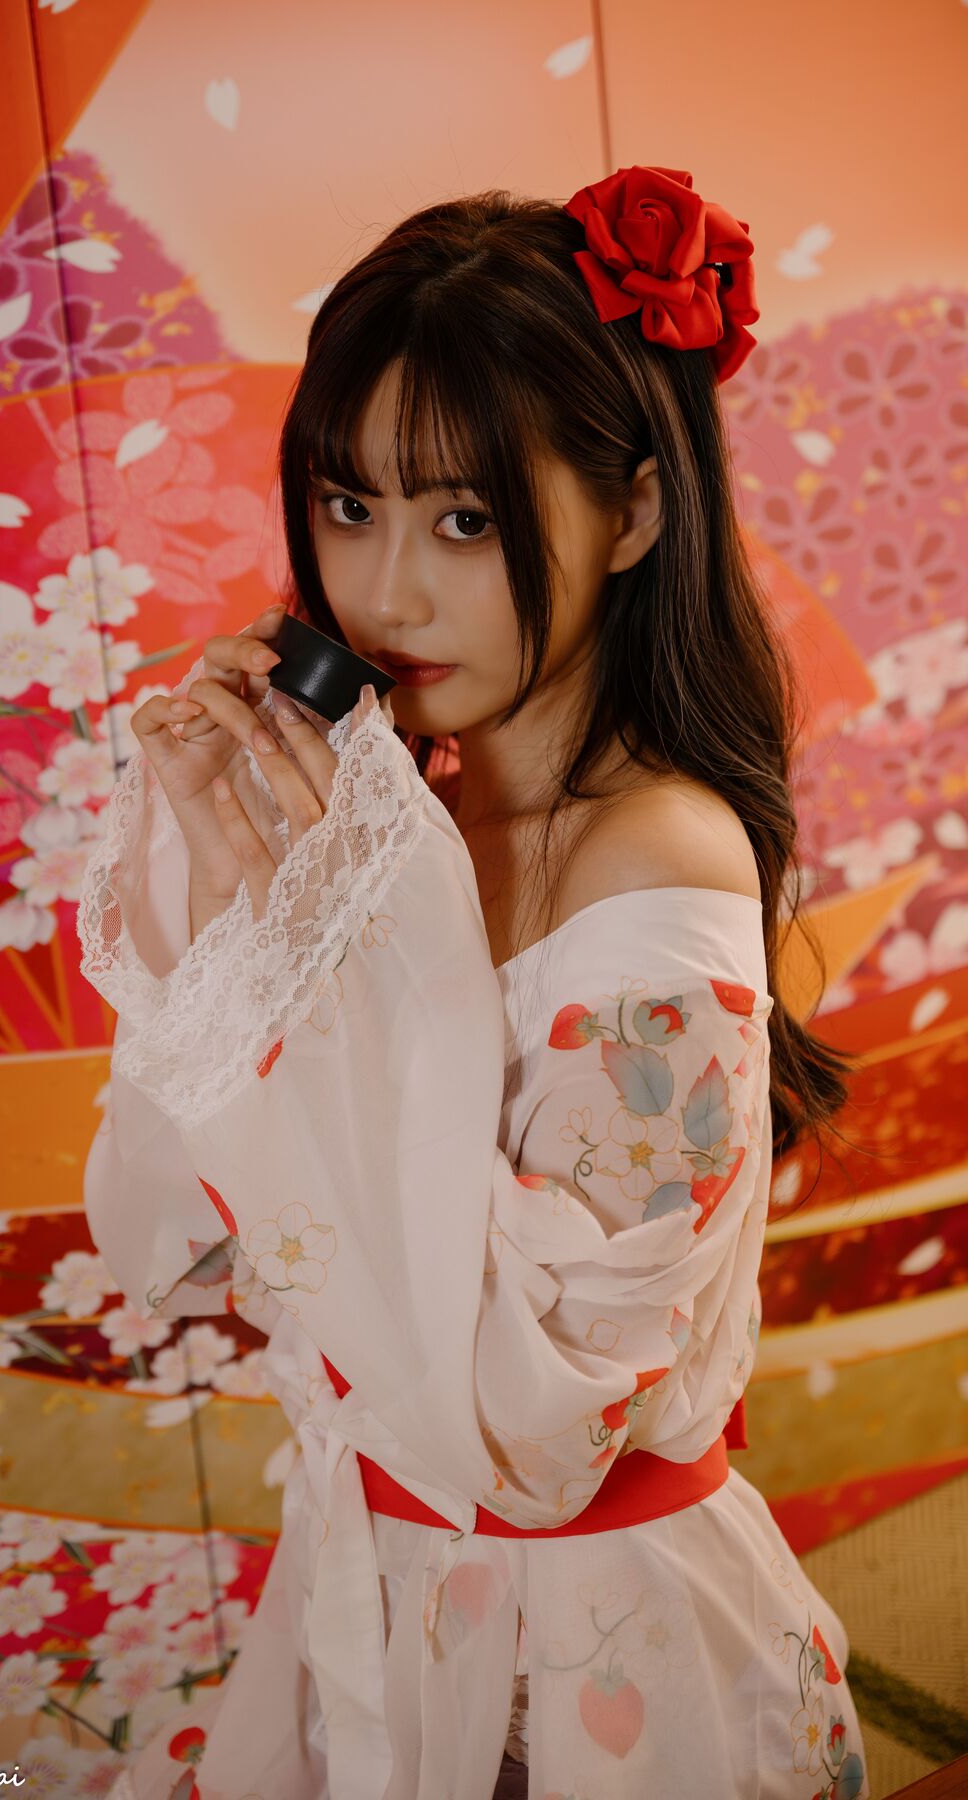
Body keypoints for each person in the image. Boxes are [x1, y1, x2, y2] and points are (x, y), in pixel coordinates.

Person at [77, 168, 869, 1800]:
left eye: (464, 520)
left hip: (590, 1654)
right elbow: (180, 1241)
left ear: (632, 515)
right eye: (346, 507)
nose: (384, 593)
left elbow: (530, 1436)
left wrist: (331, 957)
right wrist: (235, 882)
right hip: (367, 1597)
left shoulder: (660, 865)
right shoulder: (410, 826)